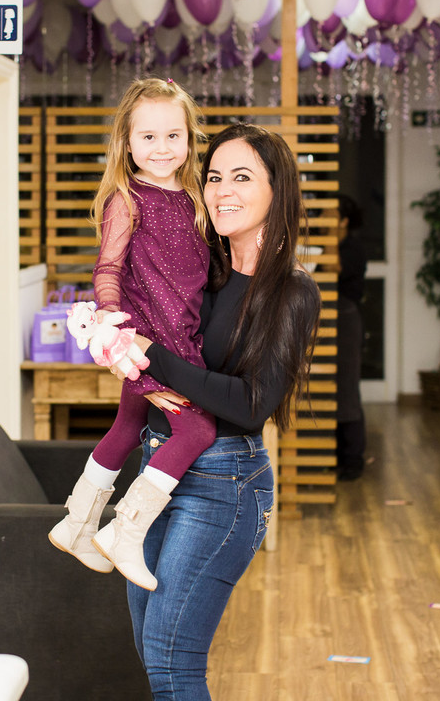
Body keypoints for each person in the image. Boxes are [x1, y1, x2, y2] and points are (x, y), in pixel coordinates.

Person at [119, 123, 321, 699]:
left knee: (171, 661)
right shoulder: (195, 268)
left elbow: (251, 403)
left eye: (242, 177)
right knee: (150, 649)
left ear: (276, 192)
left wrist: (151, 355)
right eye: (213, 177)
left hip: (224, 483)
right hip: (157, 465)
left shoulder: (291, 292)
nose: (222, 190)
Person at [48, 77, 216, 591]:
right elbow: (107, 269)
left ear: (189, 138)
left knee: (127, 426)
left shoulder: (194, 194)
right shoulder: (128, 198)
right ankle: (126, 529)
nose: (161, 148)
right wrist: (114, 329)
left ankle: (77, 524)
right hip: (148, 341)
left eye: (173, 136)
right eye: (148, 137)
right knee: (198, 429)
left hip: (182, 332)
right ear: (126, 142)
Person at [335, 194, 368, 480]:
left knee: (346, 386)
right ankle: (334, 455)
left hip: (346, 320)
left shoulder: (352, 249)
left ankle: (353, 457)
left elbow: (337, 271)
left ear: (343, 220)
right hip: (326, 319)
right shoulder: (329, 246)